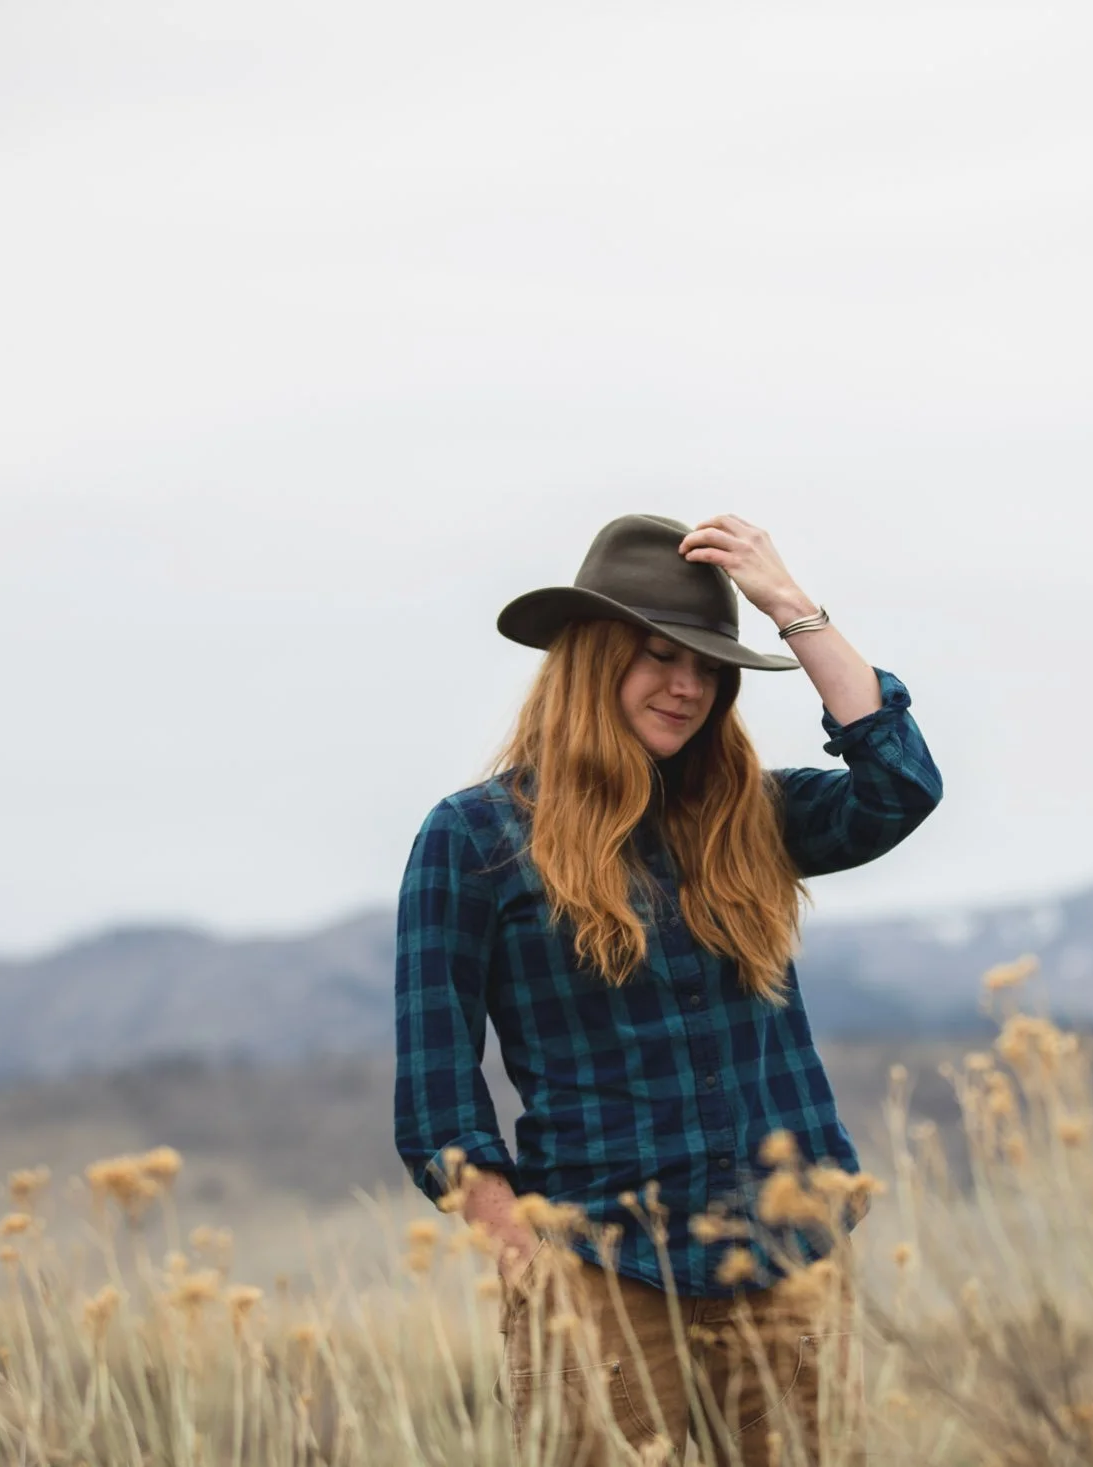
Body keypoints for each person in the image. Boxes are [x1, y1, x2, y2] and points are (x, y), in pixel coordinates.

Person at [394, 512, 941, 1464]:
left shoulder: (749, 814)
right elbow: (437, 1081)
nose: (687, 686)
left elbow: (900, 788)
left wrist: (793, 610)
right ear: (590, 658)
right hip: (602, 1263)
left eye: (710, 666)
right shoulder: (476, 837)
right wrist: (520, 1258)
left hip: (787, 1253)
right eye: (658, 656)